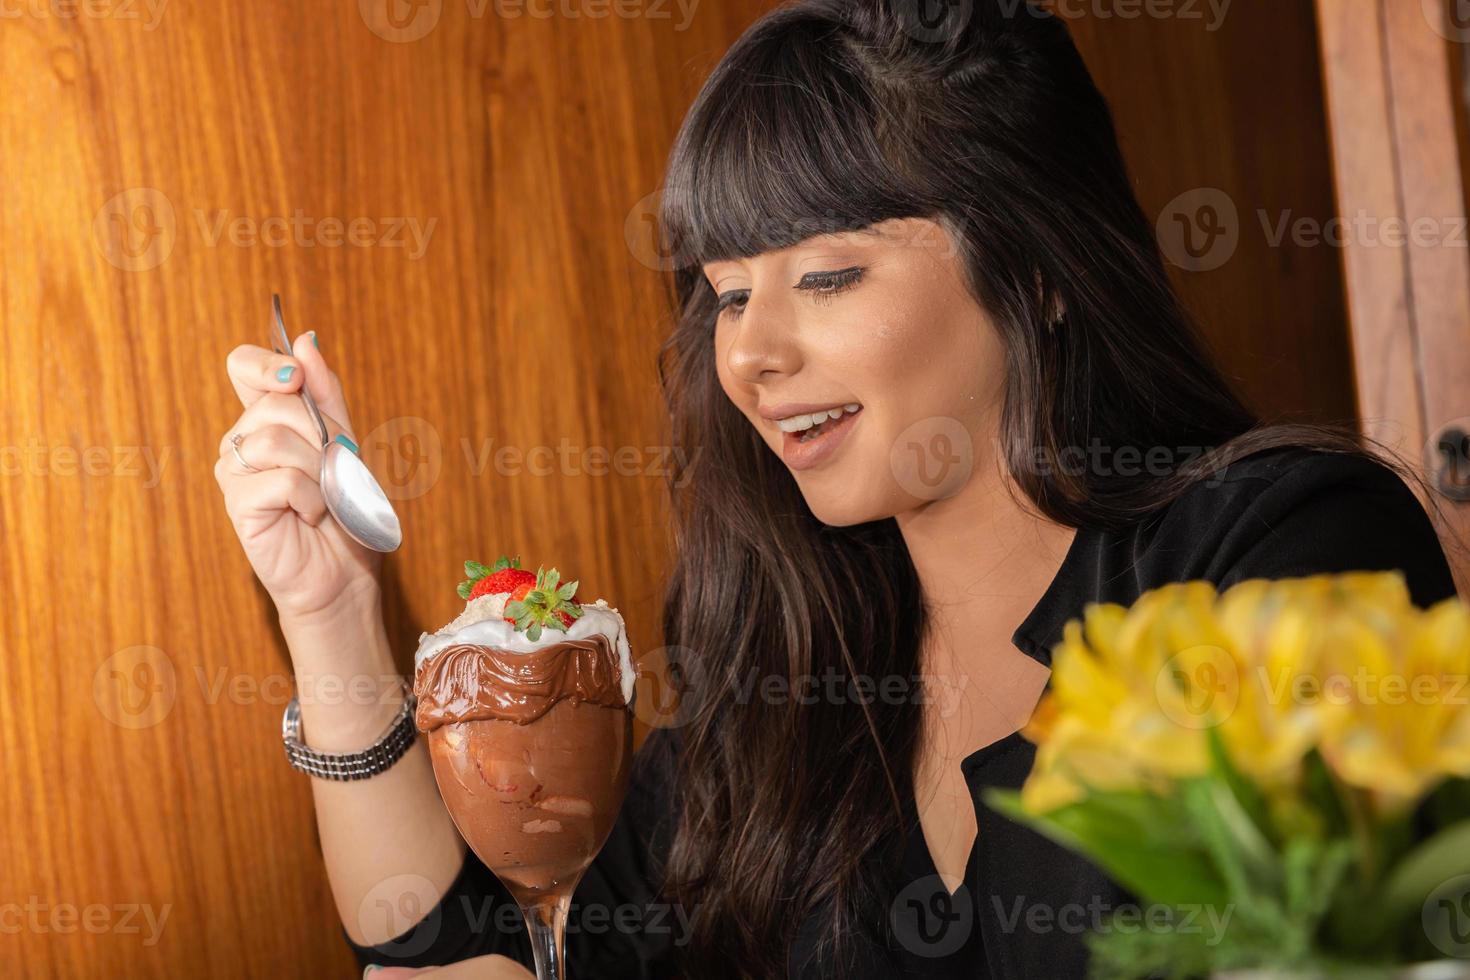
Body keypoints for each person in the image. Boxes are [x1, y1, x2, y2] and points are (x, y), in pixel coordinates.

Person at [215, 1, 1460, 977]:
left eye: (826, 275)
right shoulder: (777, 696)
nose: (752, 354)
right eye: (728, 287)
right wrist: (329, 613)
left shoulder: (1287, 547)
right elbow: (462, 961)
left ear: (1037, 269)